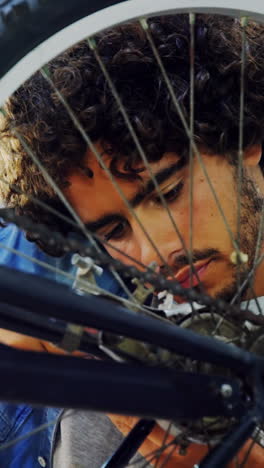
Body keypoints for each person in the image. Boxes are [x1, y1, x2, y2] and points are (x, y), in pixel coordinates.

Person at [1, 13, 264, 467]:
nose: (155, 253)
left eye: (168, 192)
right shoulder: (69, 268)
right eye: (112, 230)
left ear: (244, 140)